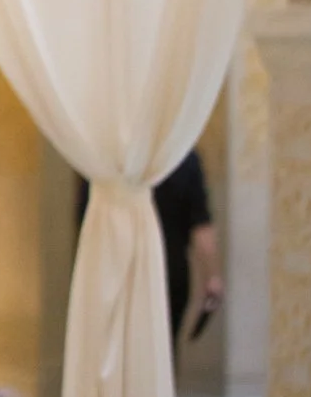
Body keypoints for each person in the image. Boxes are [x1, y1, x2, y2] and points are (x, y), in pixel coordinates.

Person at [78, 148, 224, 347]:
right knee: (163, 347)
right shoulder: (181, 156)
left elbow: (85, 221)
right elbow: (201, 227)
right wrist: (212, 277)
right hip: (169, 270)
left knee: (114, 349)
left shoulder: (107, 154)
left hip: (117, 269)